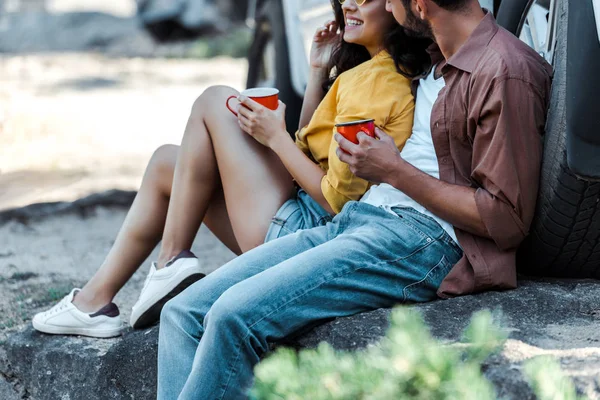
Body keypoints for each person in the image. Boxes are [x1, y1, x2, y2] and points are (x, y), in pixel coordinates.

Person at [157, 0, 552, 398]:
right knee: (183, 312)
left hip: (421, 239)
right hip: (360, 219)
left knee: (232, 318)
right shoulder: (435, 58)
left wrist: (393, 170)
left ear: (420, 4)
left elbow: (505, 218)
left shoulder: (504, 70)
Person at [31, 0, 429, 337]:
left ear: (397, 8)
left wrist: (275, 138)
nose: (349, 3)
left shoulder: (376, 83)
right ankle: (93, 304)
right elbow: (311, 150)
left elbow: (335, 202)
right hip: (295, 218)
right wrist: (316, 74)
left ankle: (170, 262)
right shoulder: (368, 73)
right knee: (167, 163)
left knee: (215, 100)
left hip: (304, 236)